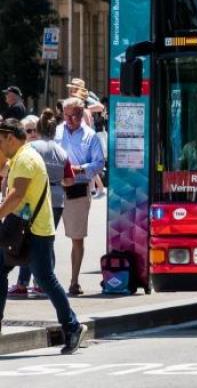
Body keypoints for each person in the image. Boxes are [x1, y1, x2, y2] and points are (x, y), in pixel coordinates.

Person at [0, 118, 85, 352]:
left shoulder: (26, 159)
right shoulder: (19, 157)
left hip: (35, 230)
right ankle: (72, 326)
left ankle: (72, 326)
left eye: (0, 139)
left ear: (10, 138)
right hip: (24, 229)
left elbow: (17, 196)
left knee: (46, 279)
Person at [9, 113, 71, 298]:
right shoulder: (61, 151)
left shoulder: (30, 148)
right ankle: (41, 282)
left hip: (33, 201)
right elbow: (69, 179)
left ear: (38, 129)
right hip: (57, 199)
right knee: (47, 241)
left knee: (25, 238)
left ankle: (23, 283)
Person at [55, 97, 105, 297]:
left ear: (82, 113)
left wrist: (78, 169)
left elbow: (99, 163)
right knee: (44, 236)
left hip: (77, 189)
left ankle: (74, 281)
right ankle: (43, 281)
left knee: (77, 238)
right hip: (55, 189)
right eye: (66, 115)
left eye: (74, 115)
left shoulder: (90, 136)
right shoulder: (57, 132)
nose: (70, 119)